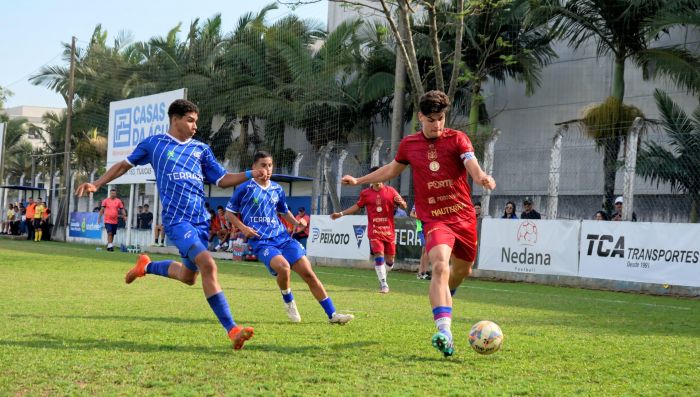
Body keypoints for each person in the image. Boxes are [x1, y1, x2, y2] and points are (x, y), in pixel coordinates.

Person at [75, 99, 264, 350]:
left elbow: (222, 179)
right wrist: (97, 184)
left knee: (188, 277)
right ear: (175, 119)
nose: (195, 126)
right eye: (190, 120)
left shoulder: (201, 150)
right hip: (177, 221)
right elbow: (124, 165)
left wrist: (251, 174)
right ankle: (233, 330)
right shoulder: (155, 144)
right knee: (208, 263)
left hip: (200, 222)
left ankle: (146, 266)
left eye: (196, 121)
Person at [340, 90, 496, 357]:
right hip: (434, 218)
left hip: (463, 217)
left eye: (441, 118)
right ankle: (444, 331)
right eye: (432, 119)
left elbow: (471, 162)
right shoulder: (409, 145)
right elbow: (390, 170)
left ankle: (446, 297)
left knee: (462, 271)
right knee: (438, 266)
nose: (437, 124)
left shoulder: (457, 138)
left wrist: (481, 176)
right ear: (420, 117)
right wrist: (359, 180)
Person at [225, 151, 354, 325]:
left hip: (283, 238)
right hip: (262, 241)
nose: (267, 169)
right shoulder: (245, 188)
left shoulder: (277, 189)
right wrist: (243, 228)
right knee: (284, 268)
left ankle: (333, 315)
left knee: (309, 274)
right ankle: (289, 302)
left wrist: (296, 223)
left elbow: (283, 211)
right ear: (254, 167)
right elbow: (229, 213)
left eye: (270, 165)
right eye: (263, 165)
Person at [332, 166, 408, 294]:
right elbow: (357, 206)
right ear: (371, 179)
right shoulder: (366, 194)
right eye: (374, 177)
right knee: (379, 254)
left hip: (389, 231)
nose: (377, 179)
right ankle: (383, 284)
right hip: (374, 230)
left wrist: (402, 203)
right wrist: (340, 214)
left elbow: (404, 206)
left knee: (390, 262)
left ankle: (383, 273)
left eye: (379, 176)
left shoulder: (391, 191)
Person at [410, 205, 431, 281]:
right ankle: (425, 272)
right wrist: (421, 218)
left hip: (428, 227)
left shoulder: (429, 200)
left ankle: (420, 273)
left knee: (424, 251)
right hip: (421, 229)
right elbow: (411, 214)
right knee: (426, 249)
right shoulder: (418, 202)